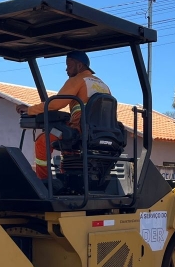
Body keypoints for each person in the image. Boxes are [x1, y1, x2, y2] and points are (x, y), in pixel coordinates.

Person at [24, 51, 111, 180]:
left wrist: (29, 110)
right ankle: (68, 175)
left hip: (80, 129)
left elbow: (55, 104)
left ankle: (43, 181)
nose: (66, 69)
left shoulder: (77, 79)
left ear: (79, 66)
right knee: (67, 137)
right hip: (101, 133)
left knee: (43, 140)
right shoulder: (103, 85)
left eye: (69, 65)